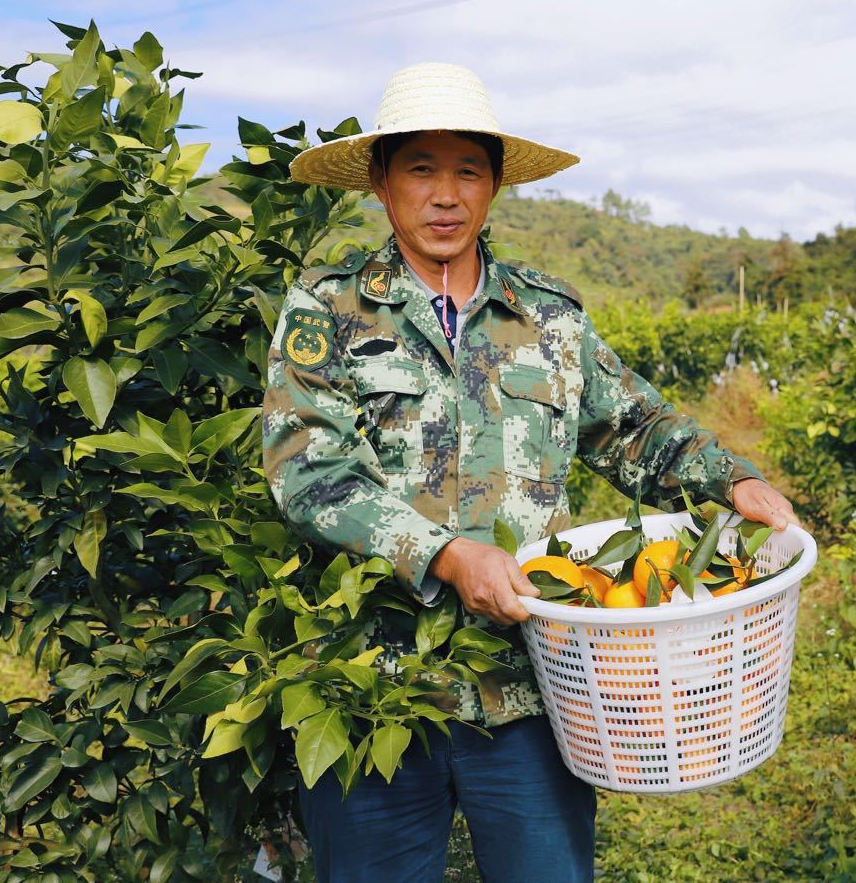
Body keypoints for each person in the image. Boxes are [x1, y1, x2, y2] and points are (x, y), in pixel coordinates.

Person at [261, 62, 799, 883]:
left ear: (495, 185)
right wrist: (446, 555)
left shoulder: (548, 316)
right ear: (379, 182)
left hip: (533, 683)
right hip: (372, 685)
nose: (446, 195)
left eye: (467, 171)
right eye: (421, 169)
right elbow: (310, 474)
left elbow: (634, 426)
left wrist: (733, 482)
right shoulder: (328, 309)